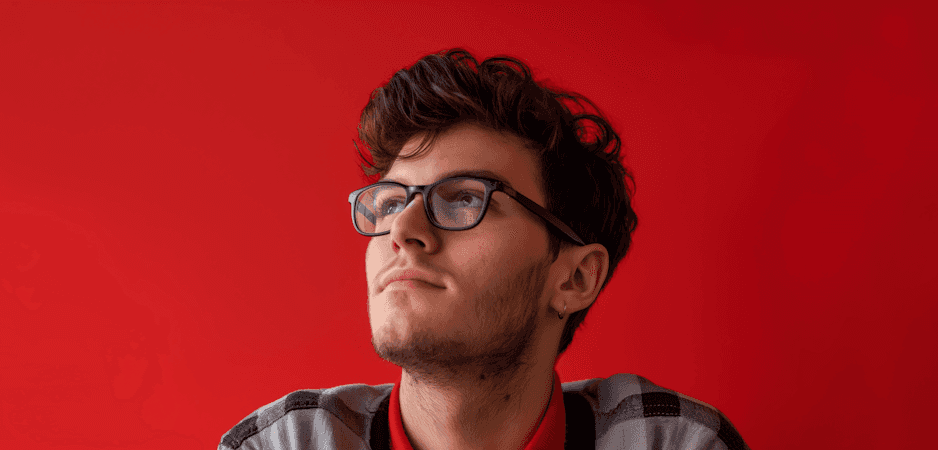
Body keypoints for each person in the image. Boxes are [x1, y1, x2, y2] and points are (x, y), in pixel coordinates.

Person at [218, 48, 748, 450]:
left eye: (465, 198)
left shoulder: (671, 442)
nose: (401, 230)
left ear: (574, 279)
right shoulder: (284, 444)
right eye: (388, 201)